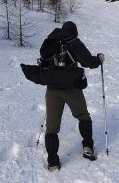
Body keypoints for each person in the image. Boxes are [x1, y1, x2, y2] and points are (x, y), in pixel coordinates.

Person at [43, 21, 105, 172]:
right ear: (74, 31)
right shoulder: (74, 41)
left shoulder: (51, 41)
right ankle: (87, 147)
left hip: (52, 88)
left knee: (51, 128)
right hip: (71, 87)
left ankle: (52, 162)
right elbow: (88, 62)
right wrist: (99, 59)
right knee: (83, 116)